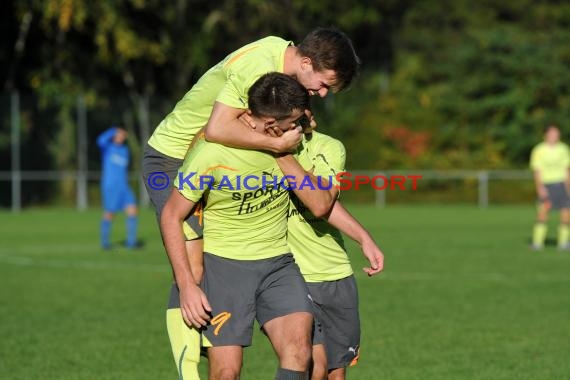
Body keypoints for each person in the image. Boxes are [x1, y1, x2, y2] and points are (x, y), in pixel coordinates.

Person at [142, 27, 360, 378]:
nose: (321, 94)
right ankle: (190, 359)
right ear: (305, 62)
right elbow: (216, 128)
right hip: (171, 158)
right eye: (322, 84)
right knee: (194, 269)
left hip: (214, 167)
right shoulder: (257, 65)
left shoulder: (279, 60)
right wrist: (277, 146)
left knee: (293, 345)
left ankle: (211, 327)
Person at [160, 73, 335, 380]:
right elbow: (171, 215)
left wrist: (279, 149)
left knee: (299, 352)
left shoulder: (290, 147)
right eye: (293, 122)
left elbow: (321, 204)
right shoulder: (210, 153)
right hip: (224, 270)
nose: (299, 128)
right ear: (270, 124)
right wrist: (187, 285)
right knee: (227, 372)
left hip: (278, 265)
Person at [286, 130, 384, 379]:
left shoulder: (327, 147)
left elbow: (322, 203)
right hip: (290, 276)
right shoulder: (262, 148)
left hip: (334, 272)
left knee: (335, 372)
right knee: (313, 367)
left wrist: (363, 238)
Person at [96, 127, 139, 250]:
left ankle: (131, 243)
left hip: (123, 186)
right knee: (110, 213)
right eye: (118, 135)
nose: (120, 137)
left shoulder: (125, 150)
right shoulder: (107, 148)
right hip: (110, 186)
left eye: (122, 135)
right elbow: (100, 140)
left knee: (133, 210)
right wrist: (113, 130)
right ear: (114, 136)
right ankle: (105, 243)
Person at [530, 125, 570, 250]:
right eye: (552, 134)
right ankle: (537, 243)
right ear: (546, 135)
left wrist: (568, 188)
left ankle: (563, 243)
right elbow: (537, 171)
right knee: (542, 213)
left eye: (557, 134)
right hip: (547, 185)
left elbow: (566, 170)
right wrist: (540, 187)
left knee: (566, 214)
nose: (554, 136)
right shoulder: (539, 150)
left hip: (561, 185)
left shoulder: (563, 149)